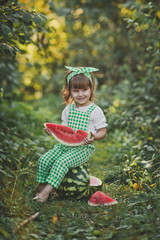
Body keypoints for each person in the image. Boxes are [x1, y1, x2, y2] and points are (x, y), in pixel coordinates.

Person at [33, 66, 107, 202]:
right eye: (76, 90)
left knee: (61, 162)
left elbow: (103, 131)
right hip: (64, 147)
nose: (80, 94)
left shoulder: (95, 111)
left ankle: (46, 194)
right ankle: (41, 190)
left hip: (83, 149)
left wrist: (94, 137)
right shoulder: (68, 109)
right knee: (43, 160)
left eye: (84, 90)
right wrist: (52, 132)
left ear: (91, 89)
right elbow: (64, 130)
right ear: (70, 91)